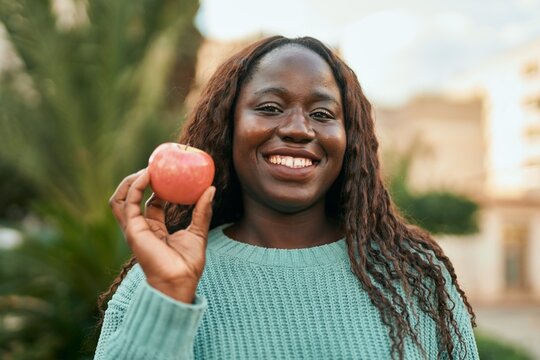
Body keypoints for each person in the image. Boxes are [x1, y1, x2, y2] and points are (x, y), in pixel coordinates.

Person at [94, 35, 479, 360]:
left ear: (350, 140)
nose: (298, 129)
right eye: (270, 108)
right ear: (229, 128)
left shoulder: (416, 277)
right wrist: (169, 294)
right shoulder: (160, 278)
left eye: (323, 113)